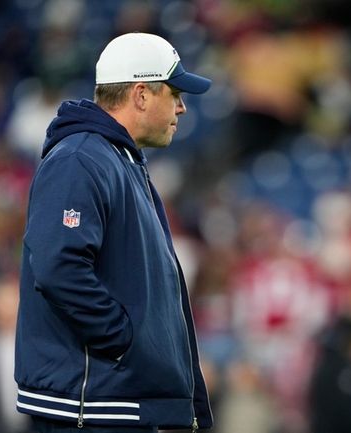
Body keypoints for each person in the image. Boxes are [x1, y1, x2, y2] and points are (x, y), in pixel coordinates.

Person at [14, 33, 213, 433]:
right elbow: (59, 268)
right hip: (92, 405)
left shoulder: (115, 158)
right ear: (141, 94)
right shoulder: (80, 158)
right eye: (174, 92)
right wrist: (124, 341)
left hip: (114, 400)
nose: (182, 106)